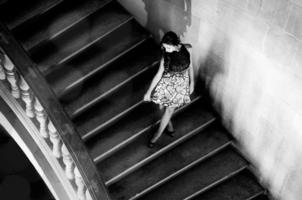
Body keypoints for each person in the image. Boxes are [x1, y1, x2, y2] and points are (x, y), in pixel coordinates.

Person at [143, 31, 194, 148]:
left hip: (181, 84)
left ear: (176, 44)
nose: (166, 50)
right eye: (164, 47)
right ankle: (169, 125)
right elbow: (158, 74)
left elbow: (191, 66)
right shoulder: (166, 55)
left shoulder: (188, 49)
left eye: (168, 47)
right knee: (161, 106)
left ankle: (156, 135)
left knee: (169, 110)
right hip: (168, 82)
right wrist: (148, 92)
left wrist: (192, 83)